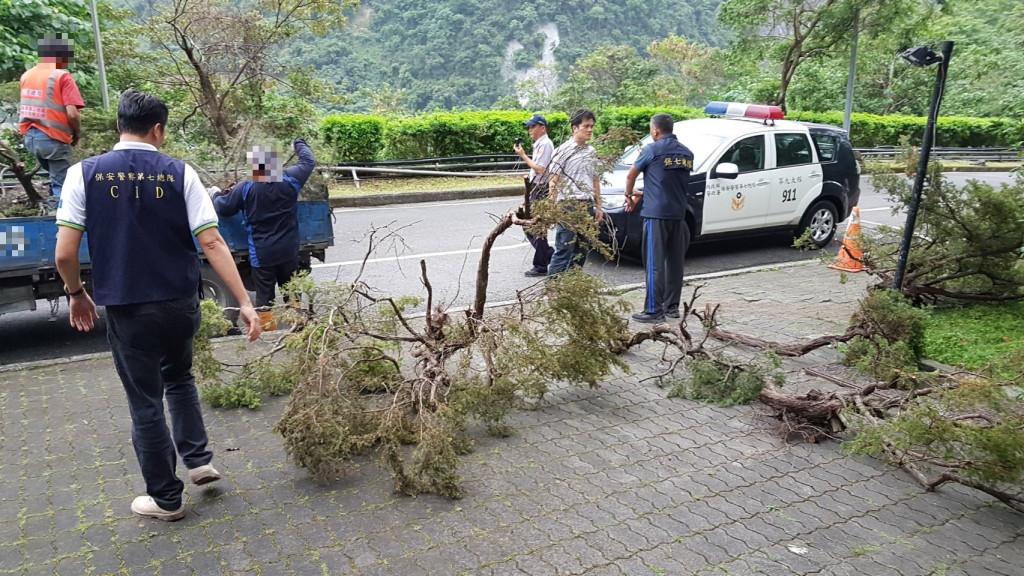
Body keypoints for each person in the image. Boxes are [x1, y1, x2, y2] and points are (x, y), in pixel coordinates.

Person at [54, 90, 262, 522]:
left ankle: (166, 499)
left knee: (145, 401)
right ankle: (199, 460)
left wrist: (76, 294)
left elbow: (64, 253)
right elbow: (212, 241)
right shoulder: (180, 173)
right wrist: (244, 301)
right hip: (180, 301)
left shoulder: (83, 173)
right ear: (158, 130)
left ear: (118, 126)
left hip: (129, 309)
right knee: (180, 378)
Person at [213, 139, 315, 330]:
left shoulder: (246, 188)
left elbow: (224, 208)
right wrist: (299, 143)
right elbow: (308, 162)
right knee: (292, 291)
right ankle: (298, 328)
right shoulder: (290, 179)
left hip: (262, 253)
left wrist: (216, 195)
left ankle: (269, 333)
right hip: (289, 250)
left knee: (264, 299)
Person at [624, 113, 694, 324]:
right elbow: (668, 182)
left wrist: (628, 195)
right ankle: (672, 308)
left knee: (655, 263)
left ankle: (654, 309)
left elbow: (630, 175)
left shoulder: (651, 150)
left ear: (655, 130)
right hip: (678, 214)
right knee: (675, 262)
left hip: (656, 215)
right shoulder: (687, 154)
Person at [19, 36, 85, 199]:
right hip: (53, 138)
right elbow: (72, 113)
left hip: (31, 139)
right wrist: (77, 133)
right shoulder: (62, 77)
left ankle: (53, 206)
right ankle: (58, 219)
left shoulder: (27, 75)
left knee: (56, 177)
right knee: (63, 185)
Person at [546, 109, 603, 276]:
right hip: (567, 204)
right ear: (574, 128)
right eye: (586, 126)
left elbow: (595, 180)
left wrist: (598, 206)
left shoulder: (591, 152)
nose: (590, 130)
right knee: (564, 247)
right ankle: (553, 286)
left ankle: (573, 283)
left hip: (587, 204)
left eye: (592, 126)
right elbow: (553, 181)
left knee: (583, 248)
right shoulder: (562, 151)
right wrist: (552, 206)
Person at [514, 113, 555, 277]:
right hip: (536, 187)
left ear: (542, 128)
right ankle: (547, 254)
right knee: (532, 226)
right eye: (529, 127)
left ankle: (541, 263)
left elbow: (541, 169)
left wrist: (523, 156)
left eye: (533, 126)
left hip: (541, 188)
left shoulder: (545, 144)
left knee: (533, 226)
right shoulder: (540, 144)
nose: (529, 129)